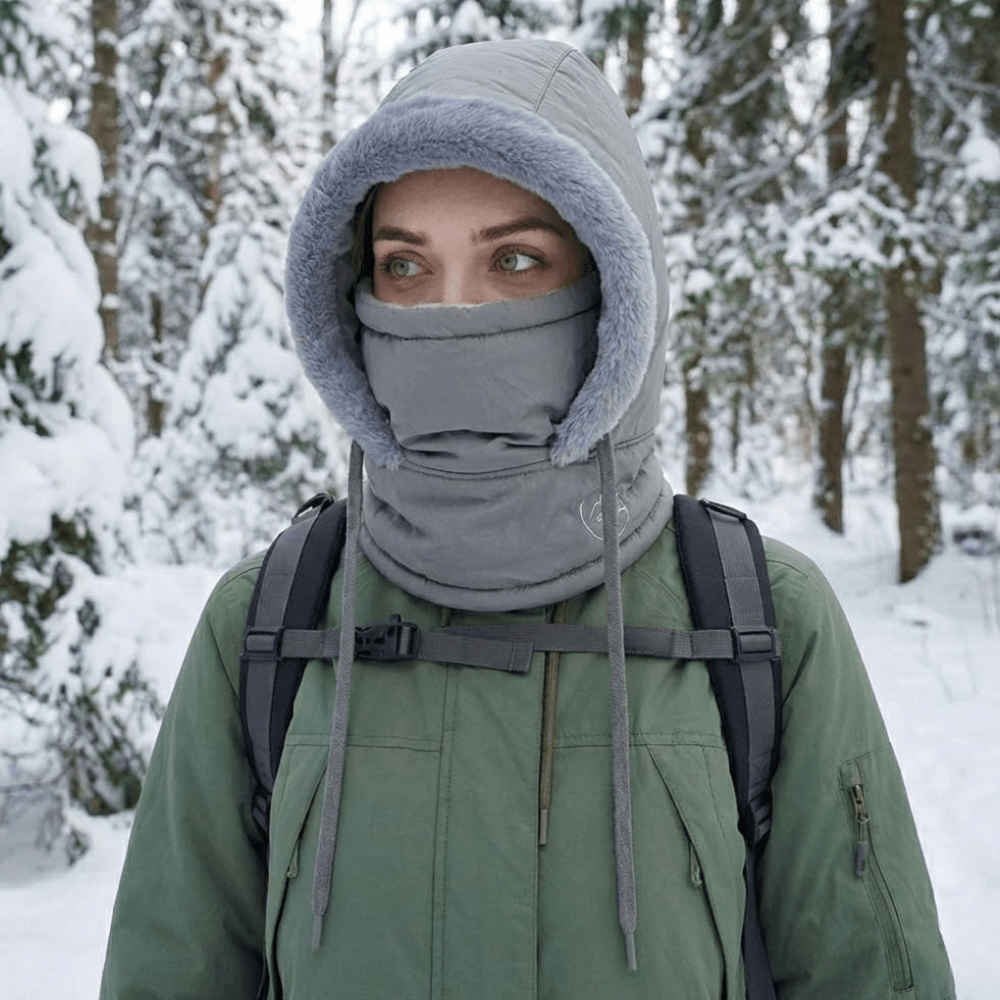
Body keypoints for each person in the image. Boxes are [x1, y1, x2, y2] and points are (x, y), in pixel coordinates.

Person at [99, 38, 955, 1000]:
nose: (452, 317)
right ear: (352, 298)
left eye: (515, 259)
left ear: (614, 292)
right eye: (405, 266)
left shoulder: (761, 621)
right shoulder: (269, 622)